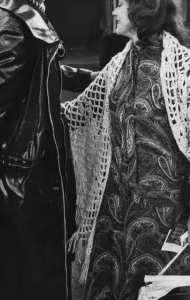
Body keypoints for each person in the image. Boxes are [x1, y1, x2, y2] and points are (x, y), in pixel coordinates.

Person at [62, 0, 190, 299]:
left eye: (121, 5)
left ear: (141, 13)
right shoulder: (123, 58)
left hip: (161, 212)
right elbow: (87, 103)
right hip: (116, 204)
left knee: (152, 288)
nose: (115, 11)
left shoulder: (182, 68)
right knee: (109, 281)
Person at [0, 0, 97, 299]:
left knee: (32, 266)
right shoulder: (13, 19)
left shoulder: (23, 14)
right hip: (27, 168)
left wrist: (88, 78)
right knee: (30, 269)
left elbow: (41, 68)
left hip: (31, 160)